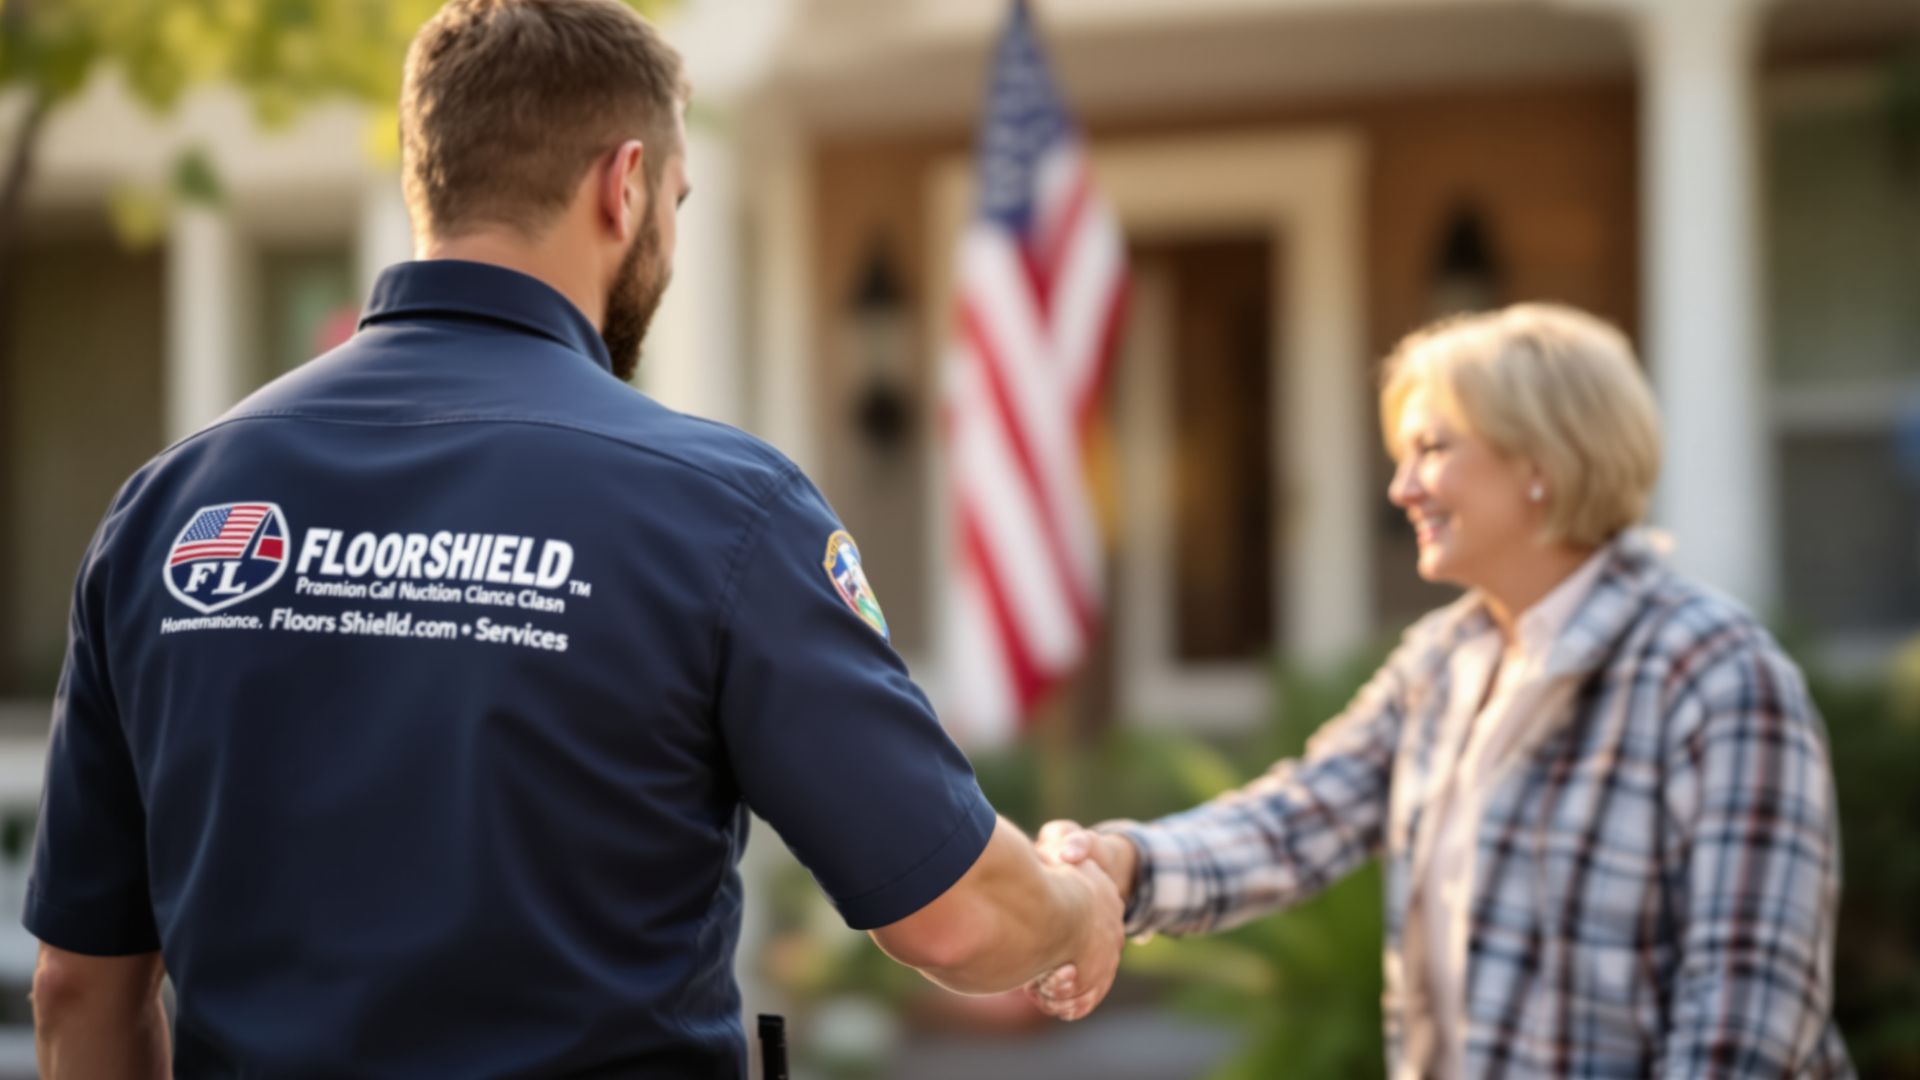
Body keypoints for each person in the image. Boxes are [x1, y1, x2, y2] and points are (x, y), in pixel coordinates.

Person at [23, 2, 1121, 1076]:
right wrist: (1079, 907)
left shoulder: (167, 512)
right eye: (677, 201)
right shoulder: (722, 510)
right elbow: (958, 919)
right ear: (625, 183)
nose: (670, 238)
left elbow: (81, 988)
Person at [1035, 304, 1855, 1078]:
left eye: (1432, 449)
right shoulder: (1442, 662)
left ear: (1542, 460)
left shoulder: (1713, 673)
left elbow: (1746, 1011)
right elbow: (1296, 824)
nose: (1402, 488)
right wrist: (1125, 864)